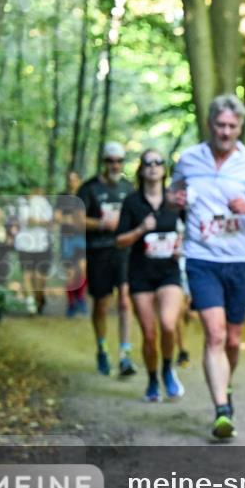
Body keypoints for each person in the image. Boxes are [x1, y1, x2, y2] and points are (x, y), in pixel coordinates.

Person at [170, 94, 245, 440]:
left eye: (232, 126)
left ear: (240, 127)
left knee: (232, 339)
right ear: (210, 124)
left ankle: (226, 386)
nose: (226, 132)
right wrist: (177, 202)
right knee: (214, 334)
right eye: (220, 125)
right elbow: (172, 200)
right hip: (202, 257)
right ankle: (221, 410)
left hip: (240, 261)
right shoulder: (188, 160)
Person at [116, 149, 186, 402]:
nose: (154, 167)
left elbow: (191, 231)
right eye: (149, 163)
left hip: (169, 273)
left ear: (164, 170)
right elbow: (120, 241)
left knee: (168, 324)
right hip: (141, 275)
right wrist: (140, 230)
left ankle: (168, 369)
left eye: (159, 163)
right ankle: (152, 378)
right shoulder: (132, 202)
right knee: (149, 333)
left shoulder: (175, 201)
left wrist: (181, 247)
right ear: (142, 170)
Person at [77, 142, 138, 377]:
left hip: (124, 252)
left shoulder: (128, 188)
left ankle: (125, 354)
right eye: (111, 161)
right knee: (102, 304)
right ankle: (102, 348)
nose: (115, 165)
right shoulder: (89, 189)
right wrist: (102, 223)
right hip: (98, 251)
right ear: (104, 162)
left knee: (124, 300)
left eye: (119, 161)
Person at [14, 188, 54, 315]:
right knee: (27, 274)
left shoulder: (43, 202)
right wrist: (41, 221)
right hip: (25, 245)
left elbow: (50, 221)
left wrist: (39, 221)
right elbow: (28, 221)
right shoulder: (21, 203)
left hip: (42, 244)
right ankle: (30, 303)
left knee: (39, 277)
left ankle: (39, 299)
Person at [57, 170, 88, 317]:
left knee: (82, 268)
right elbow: (57, 217)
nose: (72, 182)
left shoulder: (85, 195)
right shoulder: (62, 196)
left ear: (79, 180)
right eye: (69, 179)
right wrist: (70, 220)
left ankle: (80, 297)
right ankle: (71, 304)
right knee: (70, 271)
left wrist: (75, 220)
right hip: (67, 237)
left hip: (82, 236)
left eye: (74, 179)